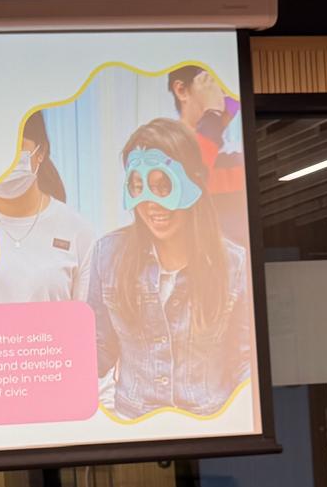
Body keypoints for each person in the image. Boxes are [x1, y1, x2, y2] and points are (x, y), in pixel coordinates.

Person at [87, 118, 253, 419]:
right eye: (139, 187)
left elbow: (244, 360)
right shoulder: (107, 255)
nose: (151, 203)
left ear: (193, 184)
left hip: (211, 428)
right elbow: (100, 348)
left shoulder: (234, 264)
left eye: (164, 187)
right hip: (133, 428)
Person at [0, 110, 97, 303]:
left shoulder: (77, 231)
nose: (4, 159)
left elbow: (85, 318)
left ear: (41, 152)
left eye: (15, 147)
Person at [166, 64, 248, 246]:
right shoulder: (163, 148)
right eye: (211, 84)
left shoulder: (235, 159)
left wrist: (225, 110)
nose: (221, 97)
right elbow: (190, 176)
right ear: (181, 90)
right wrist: (212, 116)